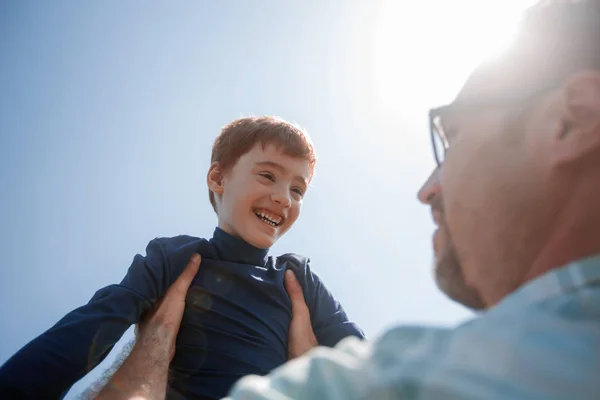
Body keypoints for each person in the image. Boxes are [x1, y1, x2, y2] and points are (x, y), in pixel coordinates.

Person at [100, 0, 600, 398]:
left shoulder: (406, 377)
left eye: (452, 138)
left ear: (570, 121)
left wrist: (148, 357)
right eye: (269, 177)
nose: (426, 188)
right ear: (217, 179)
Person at [0, 116, 365, 400]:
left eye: (298, 189)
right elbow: (95, 323)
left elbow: (361, 358)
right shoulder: (176, 257)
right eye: (268, 175)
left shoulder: (298, 276)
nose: (285, 197)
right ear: (218, 178)